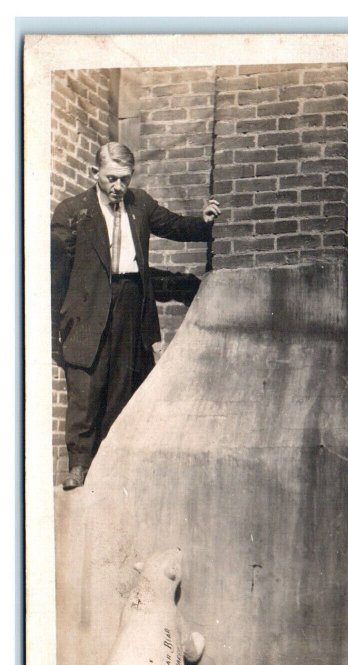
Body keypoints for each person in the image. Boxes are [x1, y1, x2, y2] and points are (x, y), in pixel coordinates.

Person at [51, 142, 221, 490]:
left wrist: (202, 224)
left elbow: (173, 225)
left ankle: (108, 466)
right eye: (111, 179)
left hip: (130, 303)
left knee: (121, 384)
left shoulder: (139, 203)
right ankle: (79, 466)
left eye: (124, 180)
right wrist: (56, 329)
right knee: (86, 386)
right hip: (87, 308)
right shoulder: (72, 212)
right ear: (94, 174)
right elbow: (55, 278)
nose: (118, 187)